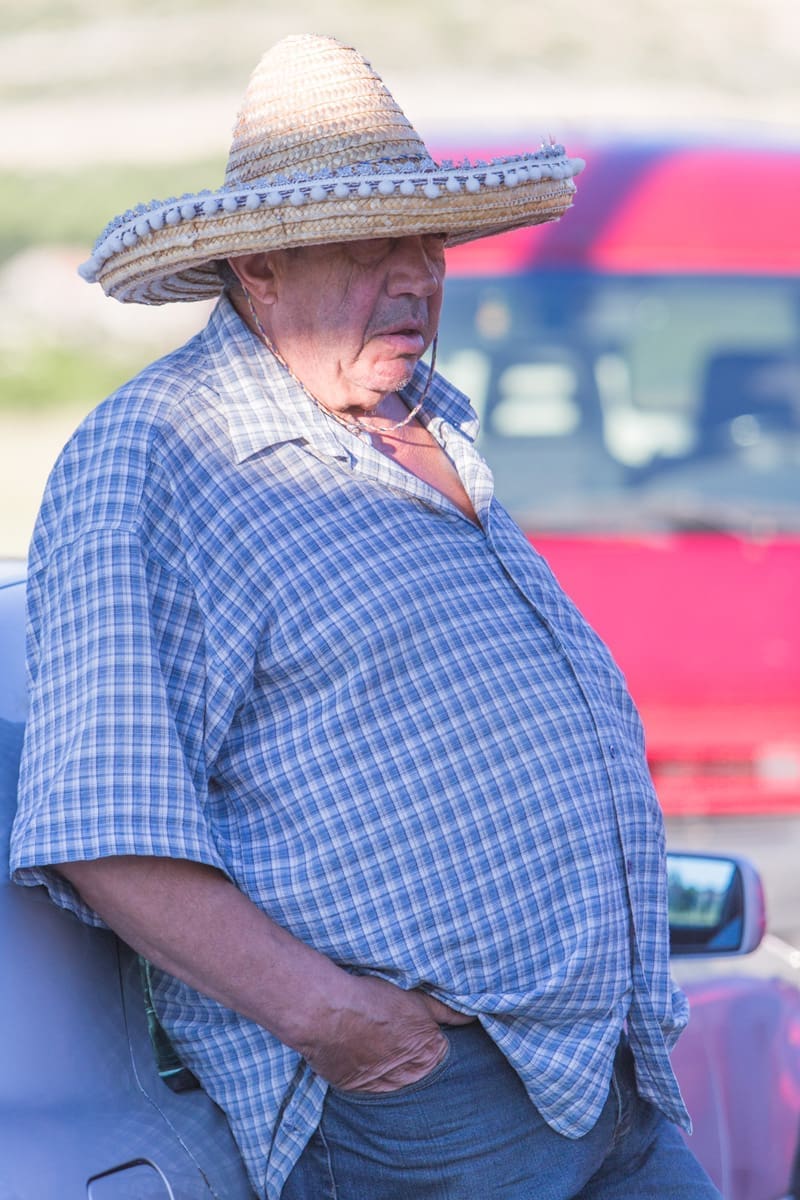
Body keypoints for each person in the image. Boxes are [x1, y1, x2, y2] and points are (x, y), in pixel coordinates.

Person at [10, 33, 721, 1200]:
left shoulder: (418, 423)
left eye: (425, 242)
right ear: (258, 267)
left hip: (595, 1075)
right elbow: (102, 826)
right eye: (366, 244)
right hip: (427, 1104)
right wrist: (339, 1023)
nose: (415, 277)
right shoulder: (166, 451)